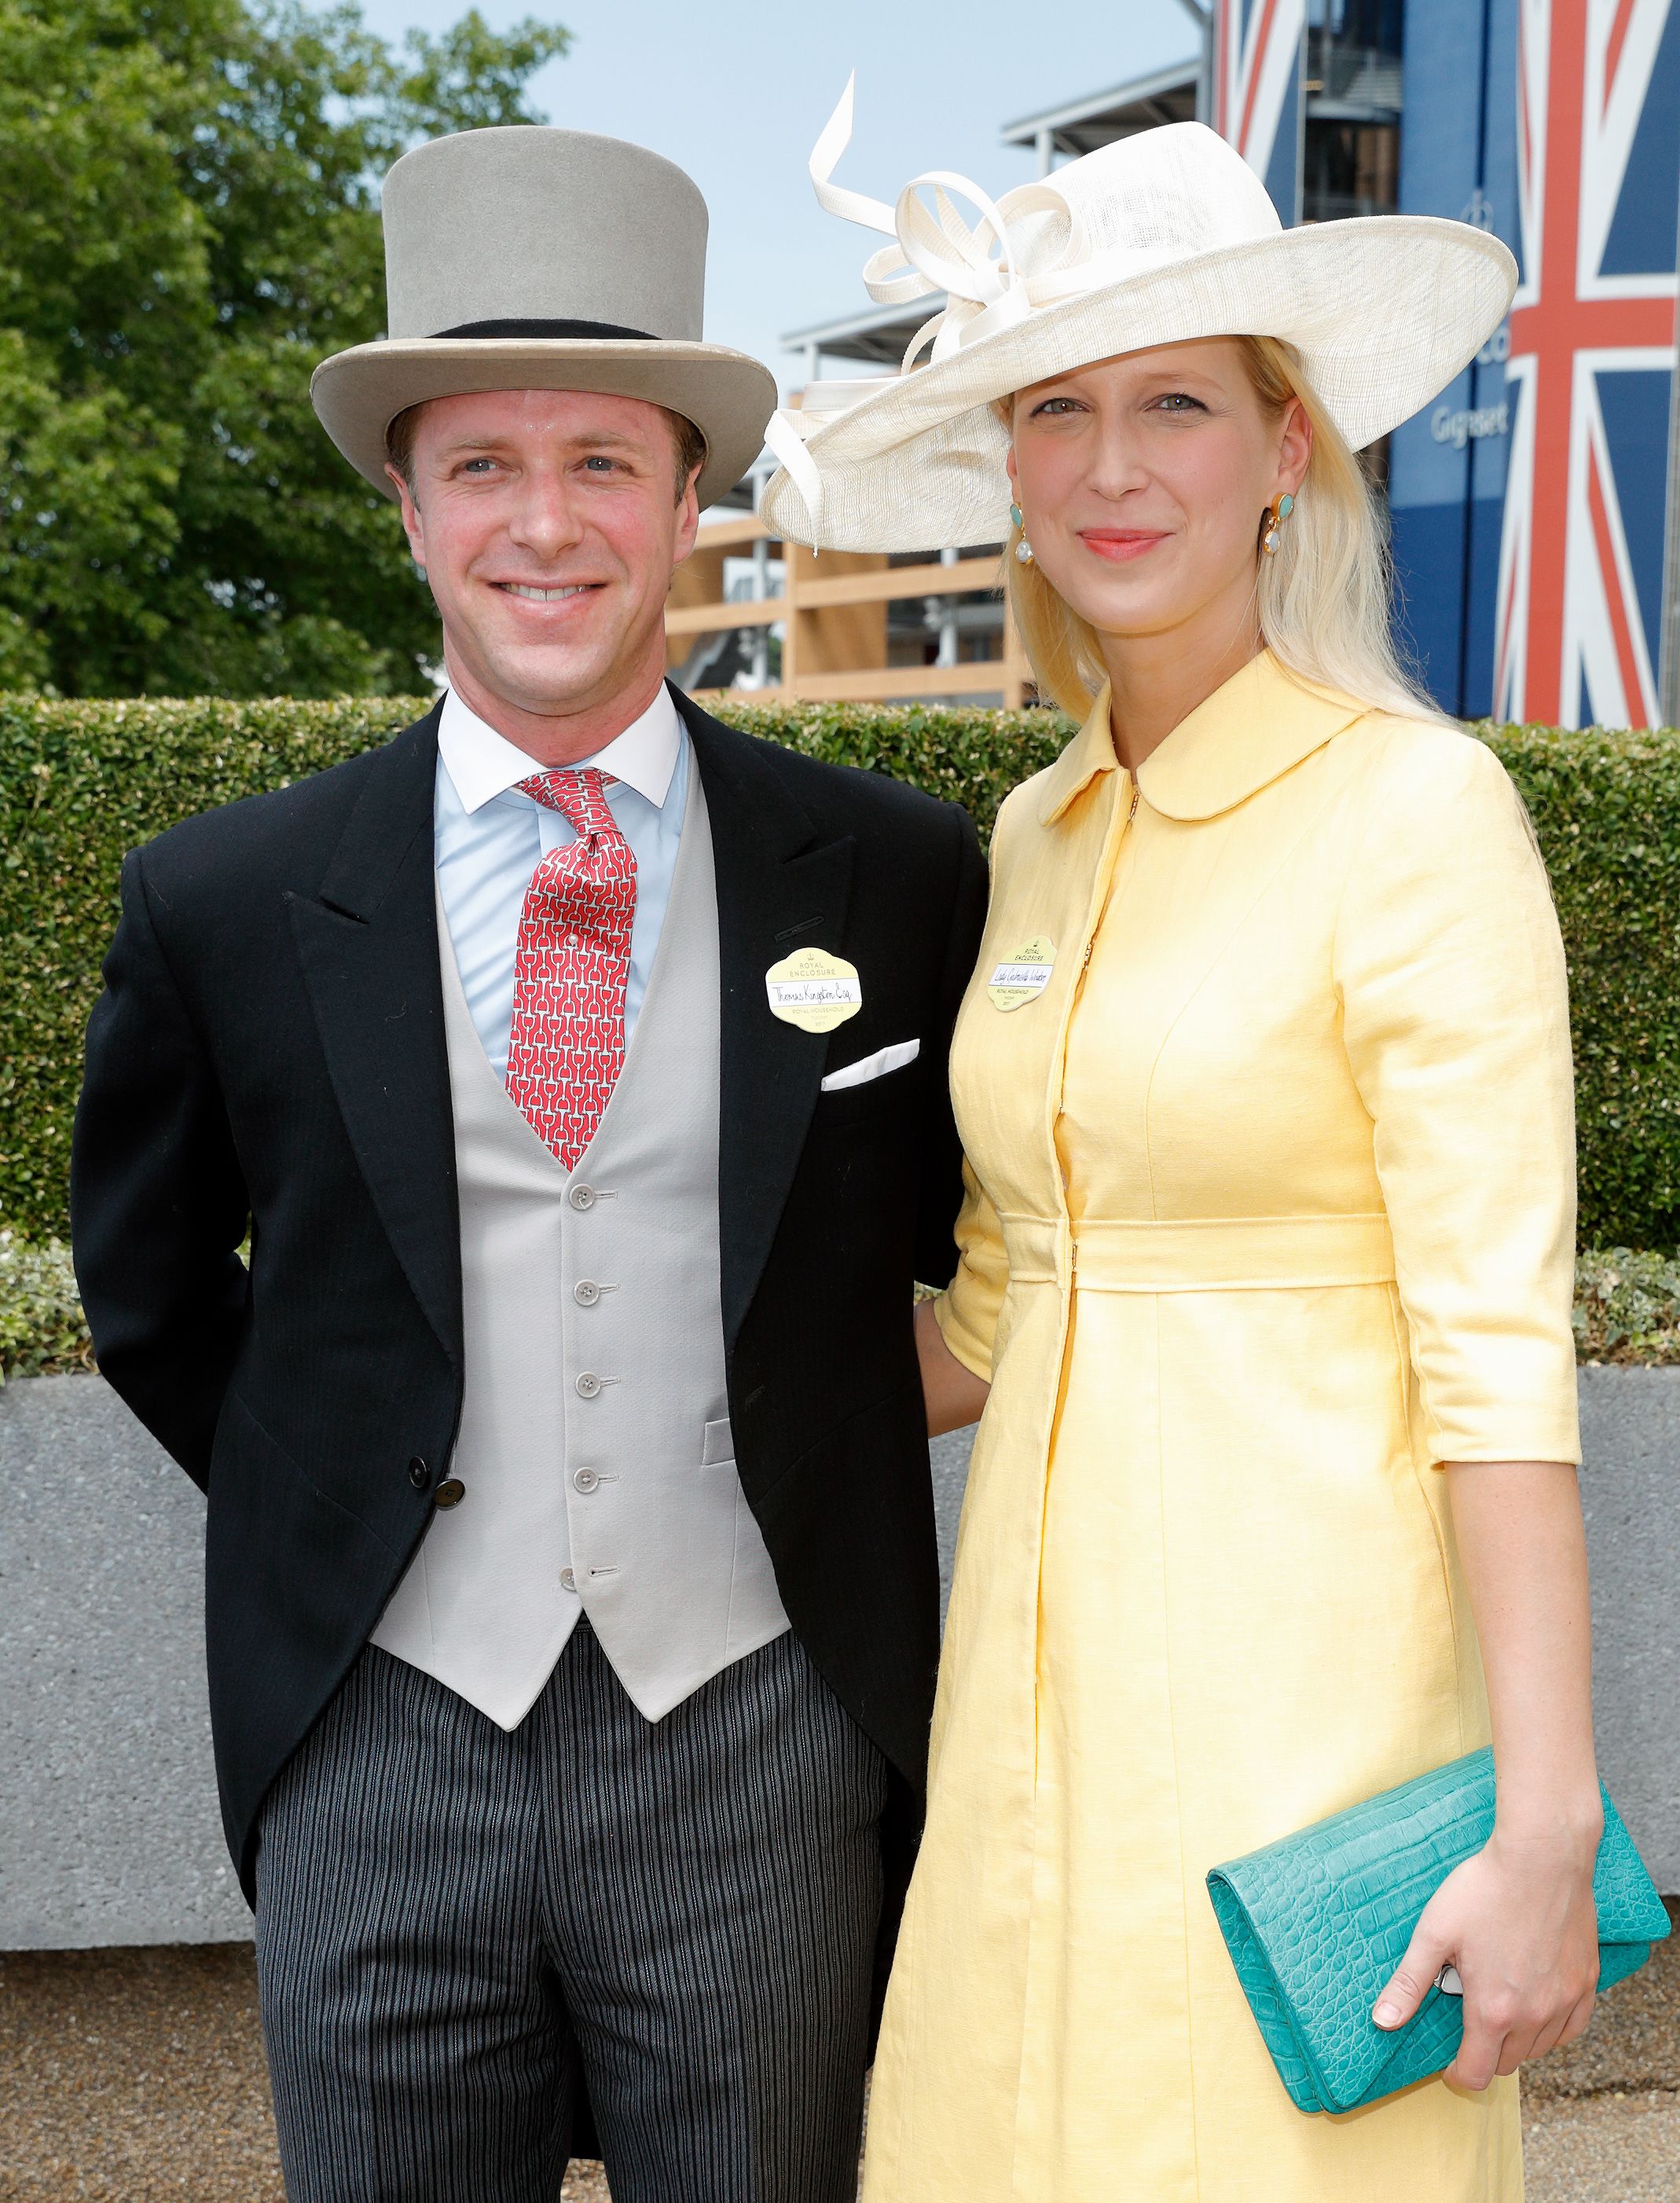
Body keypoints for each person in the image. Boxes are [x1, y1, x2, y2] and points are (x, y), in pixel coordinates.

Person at [71, 123, 986, 2203]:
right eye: (482, 461)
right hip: (376, 1738)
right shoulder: (227, 896)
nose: (543, 522)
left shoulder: (898, 874)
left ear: (687, 496)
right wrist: (368, 1497)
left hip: (761, 1735)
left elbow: (955, 1245)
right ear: (403, 502)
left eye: (602, 461)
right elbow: (146, 1288)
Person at [762, 97, 1599, 2201]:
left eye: (1175, 406)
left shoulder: (1409, 815)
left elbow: (1494, 1345)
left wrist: (1541, 1823)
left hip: (1307, 1745)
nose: (1114, 467)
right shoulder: (1035, 838)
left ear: (1282, 446)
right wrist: (610, 1348)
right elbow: (1000, 1306)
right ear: (1007, 466)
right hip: (1019, 1753)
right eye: (1058, 410)